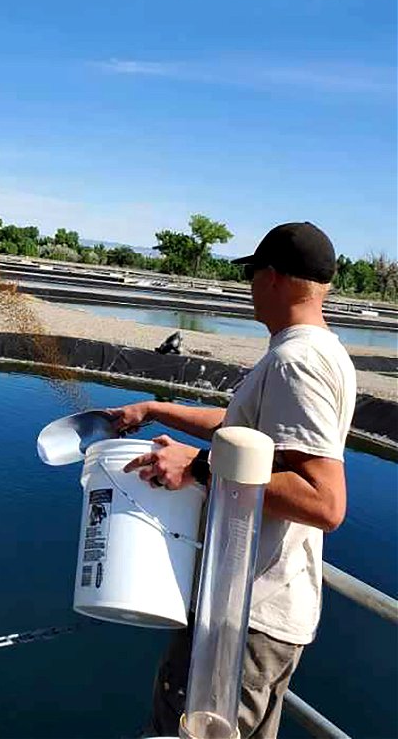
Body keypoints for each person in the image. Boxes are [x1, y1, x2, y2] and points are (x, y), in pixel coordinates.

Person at [107, 222, 356, 739]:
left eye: (252, 274)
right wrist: (154, 410)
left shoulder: (296, 362)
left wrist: (196, 465)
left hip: (244, 620)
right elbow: (245, 432)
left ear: (273, 278)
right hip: (262, 615)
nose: (248, 288)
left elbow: (325, 502)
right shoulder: (319, 351)